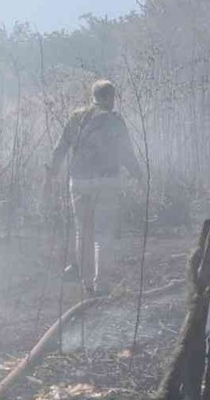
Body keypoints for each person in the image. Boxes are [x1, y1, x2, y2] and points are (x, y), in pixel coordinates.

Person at [46, 79, 142, 294]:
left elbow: (60, 147)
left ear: (93, 96)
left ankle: (86, 283)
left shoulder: (76, 117)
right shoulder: (115, 121)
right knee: (103, 234)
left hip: (79, 181)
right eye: (113, 98)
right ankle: (102, 285)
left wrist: (52, 172)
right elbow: (126, 152)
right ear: (109, 97)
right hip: (107, 181)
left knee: (83, 232)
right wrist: (138, 175)